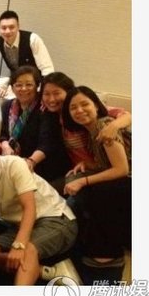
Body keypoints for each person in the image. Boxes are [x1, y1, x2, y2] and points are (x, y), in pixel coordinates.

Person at [0, 132, 77, 285]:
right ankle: (46, 271)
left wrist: (19, 245)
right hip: (21, 225)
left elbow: (29, 206)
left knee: (27, 250)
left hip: (57, 218)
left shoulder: (14, 164)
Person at [61, 86, 131, 283]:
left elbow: (122, 169)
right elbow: (108, 163)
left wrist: (83, 181)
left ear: (96, 106)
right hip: (124, 179)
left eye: (85, 104)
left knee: (97, 192)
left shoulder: (104, 126)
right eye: (73, 107)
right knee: (82, 189)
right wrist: (88, 165)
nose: (79, 110)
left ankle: (106, 255)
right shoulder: (92, 131)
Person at [40, 72, 132, 167]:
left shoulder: (86, 111)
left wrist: (113, 127)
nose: (51, 99)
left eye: (56, 93)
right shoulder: (48, 115)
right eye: (46, 94)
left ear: (68, 92)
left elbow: (127, 116)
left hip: (104, 168)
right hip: (83, 167)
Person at [0, 66, 68, 183]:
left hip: (43, 167)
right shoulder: (7, 106)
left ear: (37, 86)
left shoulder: (44, 108)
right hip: (16, 163)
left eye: (29, 84)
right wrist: (5, 145)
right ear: (12, 87)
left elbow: (47, 143)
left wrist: (30, 162)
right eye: (18, 85)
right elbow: (3, 134)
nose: (23, 88)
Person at [0, 10, 54, 76]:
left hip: (36, 79)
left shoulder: (33, 39)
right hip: (18, 80)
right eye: (3, 28)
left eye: (11, 27)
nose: (7, 31)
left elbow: (47, 69)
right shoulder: (0, 41)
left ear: (18, 27)